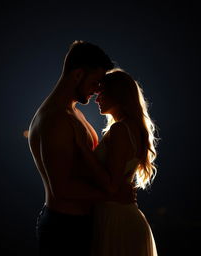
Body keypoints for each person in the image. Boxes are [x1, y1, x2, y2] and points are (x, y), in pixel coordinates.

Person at [27, 41, 136, 256]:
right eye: (95, 81)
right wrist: (112, 196)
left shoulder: (73, 113)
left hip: (79, 224)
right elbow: (62, 188)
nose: (97, 90)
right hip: (65, 229)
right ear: (78, 75)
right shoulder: (56, 119)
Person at [74, 68, 159, 256]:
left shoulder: (121, 130)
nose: (96, 100)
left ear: (117, 95)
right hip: (118, 214)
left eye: (102, 94)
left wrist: (83, 150)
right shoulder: (130, 128)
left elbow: (111, 185)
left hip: (116, 219)